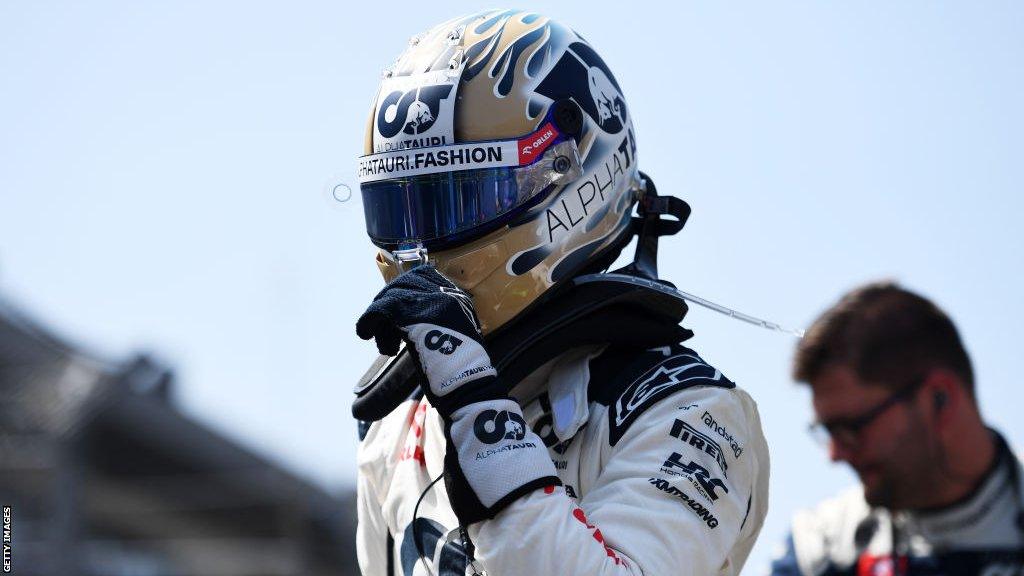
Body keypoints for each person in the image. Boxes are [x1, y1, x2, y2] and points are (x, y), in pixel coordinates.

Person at [351, 9, 770, 575]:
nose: (424, 244)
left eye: (461, 198)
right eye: (407, 204)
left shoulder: (693, 414)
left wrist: (480, 418)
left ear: (575, 174)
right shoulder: (400, 420)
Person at [771, 282, 1024, 576]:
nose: (835, 454)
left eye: (851, 428)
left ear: (939, 399)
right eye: (827, 431)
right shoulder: (821, 547)